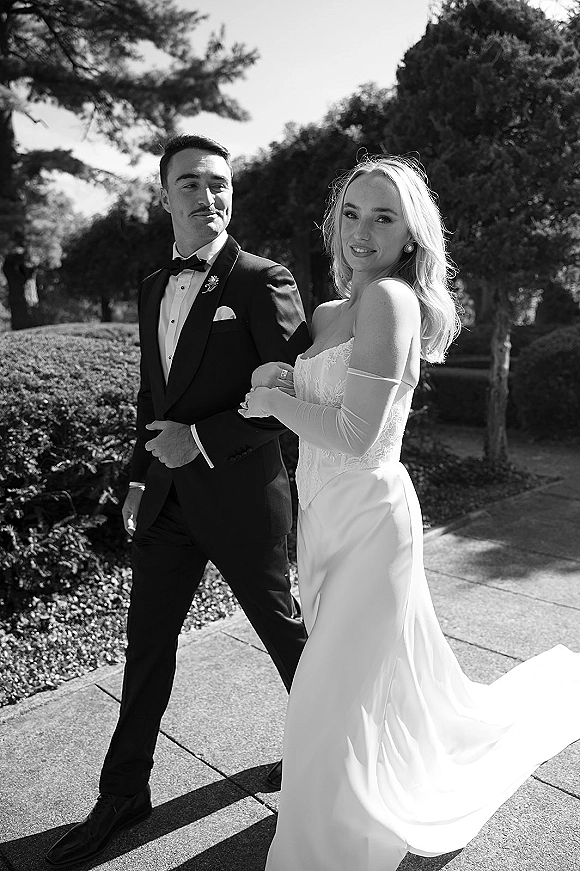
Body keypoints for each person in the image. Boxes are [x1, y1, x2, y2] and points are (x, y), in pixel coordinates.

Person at [239, 155, 580, 871]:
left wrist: (273, 402)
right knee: (374, 681)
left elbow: (358, 435)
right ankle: (364, 790)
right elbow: (322, 403)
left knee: (325, 695)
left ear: (409, 237)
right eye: (353, 214)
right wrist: (279, 377)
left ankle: (327, 848)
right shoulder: (330, 312)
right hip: (324, 516)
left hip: (370, 520)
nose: (363, 231)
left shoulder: (391, 301)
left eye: (384, 218)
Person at [46, 134, 310, 867]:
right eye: (190, 183)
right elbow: (150, 394)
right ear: (163, 198)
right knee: (146, 644)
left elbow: (289, 387)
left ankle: (328, 749)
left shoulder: (264, 279)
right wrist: (138, 473)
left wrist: (200, 438)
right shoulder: (151, 283)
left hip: (243, 495)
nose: (208, 196)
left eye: (220, 182)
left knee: (284, 633)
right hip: (165, 501)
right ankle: (124, 790)